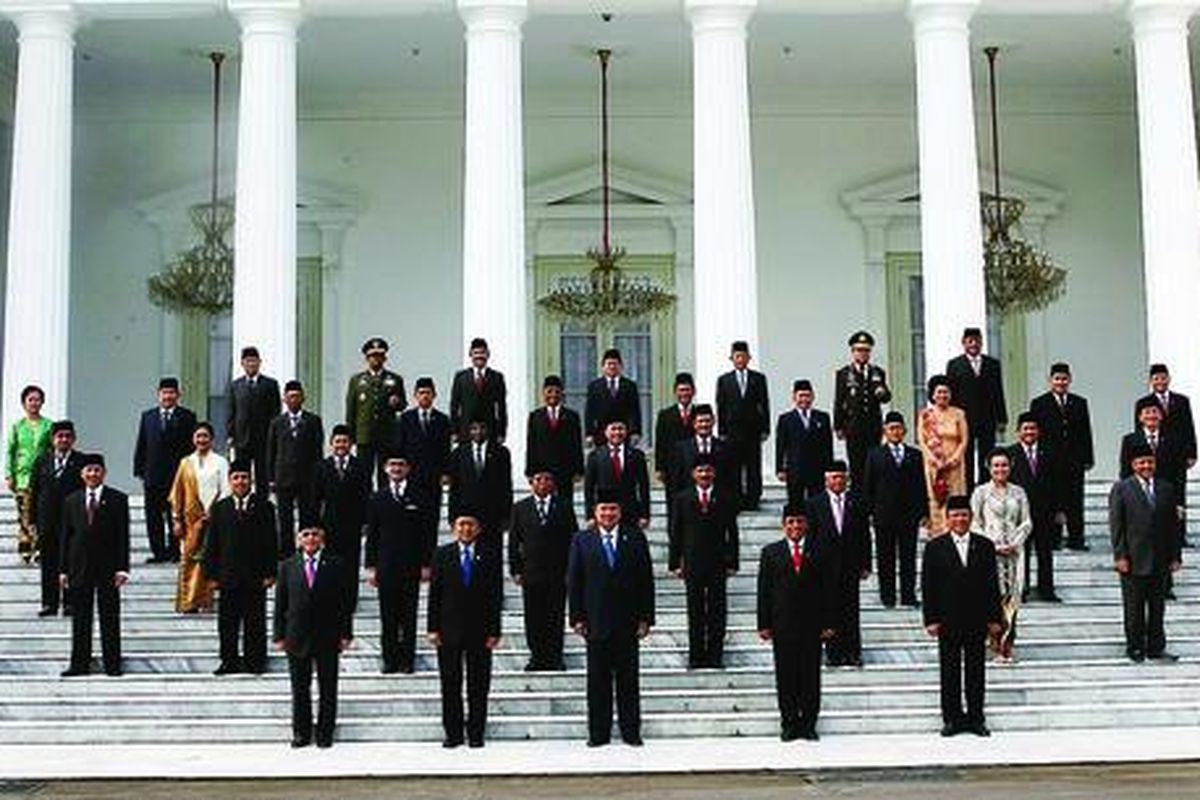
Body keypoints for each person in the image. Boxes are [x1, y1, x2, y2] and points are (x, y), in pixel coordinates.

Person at [567, 490, 655, 747]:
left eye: (613, 509)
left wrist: (645, 618)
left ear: (620, 512)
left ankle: (631, 732)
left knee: (629, 681)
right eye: (603, 509)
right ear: (595, 513)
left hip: (628, 622)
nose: (608, 514)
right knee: (597, 682)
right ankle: (598, 733)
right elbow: (574, 581)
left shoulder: (635, 538)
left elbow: (645, 580)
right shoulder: (582, 540)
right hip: (595, 622)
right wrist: (577, 617)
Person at [922, 495, 1002, 737]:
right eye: (955, 515)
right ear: (947, 519)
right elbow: (928, 586)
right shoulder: (935, 547)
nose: (960, 519)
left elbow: (992, 584)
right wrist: (931, 619)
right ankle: (952, 719)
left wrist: (994, 618)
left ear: (971, 517)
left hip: (977, 618)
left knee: (976, 671)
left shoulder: (985, 546)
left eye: (964, 515)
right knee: (950, 671)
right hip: (947, 619)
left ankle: (976, 718)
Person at [756, 504, 836, 742]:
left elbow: (829, 590)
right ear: (784, 525)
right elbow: (764, 591)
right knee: (786, 675)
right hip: (783, 624)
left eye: (800, 522)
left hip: (812, 624)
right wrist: (764, 624)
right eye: (790, 522)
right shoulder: (771, 552)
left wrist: (829, 622)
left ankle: (809, 723)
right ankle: (789, 723)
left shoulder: (820, 551)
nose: (795, 527)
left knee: (811, 676)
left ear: (806, 525)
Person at [274, 527, 354, 749]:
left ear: (322, 540)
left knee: (328, 687)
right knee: (300, 688)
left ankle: (325, 733)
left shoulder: (336, 565)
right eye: (306, 535)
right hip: (296, 635)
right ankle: (301, 732)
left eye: (315, 535)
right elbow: (281, 603)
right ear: (299, 540)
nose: (311, 539)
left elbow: (343, 604)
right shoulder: (287, 567)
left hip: (328, 635)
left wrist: (346, 633)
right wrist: (279, 634)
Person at [428, 514, 504, 748]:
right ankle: (453, 733)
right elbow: (435, 594)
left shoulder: (490, 554)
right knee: (450, 684)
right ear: (453, 528)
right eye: (461, 524)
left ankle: (476, 733)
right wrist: (432, 628)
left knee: (478, 684)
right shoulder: (442, 554)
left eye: (471, 524)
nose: (466, 528)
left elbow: (495, 595)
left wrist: (494, 630)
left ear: (478, 528)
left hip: (480, 631)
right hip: (448, 630)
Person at [1109, 442, 1182, 662]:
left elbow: (1173, 526)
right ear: (1133, 465)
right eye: (1141, 462)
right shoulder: (1122, 488)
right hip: (1133, 558)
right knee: (1134, 608)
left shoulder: (1166, 488)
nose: (1146, 466)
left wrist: (1175, 556)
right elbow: (1116, 525)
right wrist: (1120, 556)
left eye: (1150, 462)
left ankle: (1156, 647)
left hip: (1160, 559)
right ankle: (1135, 647)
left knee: (1158, 607)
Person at [202, 461, 277, 675]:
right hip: (228, 576)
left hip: (255, 576)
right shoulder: (220, 508)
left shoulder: (264, 506)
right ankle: (229, 661)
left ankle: (255, 662)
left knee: (255, 621)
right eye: (236, 478)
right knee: (227, 623)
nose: (240, 481)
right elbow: (212, 544)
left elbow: (272, 542)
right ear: (230, 481)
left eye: (244, 477)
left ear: (251, 480)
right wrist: (211, 575)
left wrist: (271, 572)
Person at [59, 454, 130, 677]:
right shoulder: (72, 500)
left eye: (97, 470)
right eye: (88, 470)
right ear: (82, 474)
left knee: (109, 616)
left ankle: (113, 664)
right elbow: (65, 537)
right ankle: (79, 664)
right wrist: (62, 569)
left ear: (104, 473)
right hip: (79, 566)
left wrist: (122, 568)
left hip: (108, 567)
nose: (92, 474)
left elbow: (122, 536)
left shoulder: (117, 499)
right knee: (80, 617)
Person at [365, 454, 436, 674]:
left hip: (411, 565)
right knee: (388, 616)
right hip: (386, 565)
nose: (396, 468)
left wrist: (426, 563)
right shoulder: (377, 498)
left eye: (401, 465)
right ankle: (389, 659)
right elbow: (372, 535)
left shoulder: (420, 497)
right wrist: (371, 566)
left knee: (408, 615)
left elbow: (428, 534)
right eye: (392, 465)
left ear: (408, 468)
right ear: (385, 469)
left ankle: (407, 660)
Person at [669, 454, 739, 669]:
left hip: (718, 562)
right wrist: (674, 562)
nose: (704, 475)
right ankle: (696, 656)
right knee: (695, 610)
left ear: (714, 473)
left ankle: (715, 656)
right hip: (692, 562)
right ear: (693, 474)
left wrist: (733, 561)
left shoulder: (725, 497)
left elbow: (732, 532)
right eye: (700, 471)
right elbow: (676, 531)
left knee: (718, 610)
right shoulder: (682, 498)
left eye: (708, 471)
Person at [509, 469, 578, 672]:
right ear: (531, 482)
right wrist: (516, 569)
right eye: (538, 479)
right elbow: (514, 541)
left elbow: (574, 540)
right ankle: (537, 657)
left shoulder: (564, 506)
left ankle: (555, 657)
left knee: (555, 616)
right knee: (534, 617)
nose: (543, 483)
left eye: (547, 479)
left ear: (553, 483)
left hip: (558, 572)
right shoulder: (520, 508)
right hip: (531, 572)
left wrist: (572, 570)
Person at [1121, 397, 1188, 600]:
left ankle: (1166, 586)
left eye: (1154, 412)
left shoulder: (1173, 439)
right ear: (1140, 417)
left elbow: (1178, 473)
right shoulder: (1131, 440)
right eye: (1147, 413)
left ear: (1161, 416)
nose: (1151, 416)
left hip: (1165, 496)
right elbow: (1125, 470)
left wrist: (1179, 501)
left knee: (1165, 537)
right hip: (1139, 496)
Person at [970, 450, 1032, 664]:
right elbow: (975, 522)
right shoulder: (980, 493)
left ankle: (1008, 643)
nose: (1000, 469)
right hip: (990, 554)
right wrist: (992, 544)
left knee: (1012, 597)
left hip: (1014, 553)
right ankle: (993, 639)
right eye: (996, 465)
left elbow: (1026, 522)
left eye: (1004, 465)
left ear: (1010, 466)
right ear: (989, 467)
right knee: (992, 596)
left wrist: (1014, 543)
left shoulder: (1019, 492)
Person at [807, 461, 870, 667]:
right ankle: (833, 652)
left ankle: (853, 652)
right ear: (826, 480)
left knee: (851, 609)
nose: (838, 481)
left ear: (847, 479)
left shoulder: (857, 501)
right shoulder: (814, 503)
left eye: (841, 477)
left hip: (850, 564)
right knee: (829, 609)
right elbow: (811, 537)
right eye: (834, 477)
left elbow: (864, 535)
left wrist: (865, 563)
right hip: (824, 566)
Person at [862, 411, 927, 608]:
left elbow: (921, 485)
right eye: (891, 428)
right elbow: (868, 486)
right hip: (884, 514)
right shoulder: (875, 455)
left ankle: (908, 595)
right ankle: (887, 596)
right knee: (885, 558)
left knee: (908, 557)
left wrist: (923, 512)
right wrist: (869, 512)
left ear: (905, 431)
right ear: (885, 431)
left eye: (899, 428)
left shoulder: (915, 455)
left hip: (909, 515)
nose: (895, 432)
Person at [1029, 362, 1094, 551]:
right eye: (1057, 378)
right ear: (1050, 381)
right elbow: (1035, 433)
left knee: (1075, 499)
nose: (1061, 382)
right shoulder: (1039, 403)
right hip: (1050, 460)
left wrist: (1088, 458)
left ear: (1070, 380)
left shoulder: (1079, 402)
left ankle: (1076, 539)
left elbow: (1086, 432)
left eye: (1064, 379)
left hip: (1074, 460)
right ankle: (1053, 539)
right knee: (1052, 500)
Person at [133, 377, 197, 564]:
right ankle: (158, 552)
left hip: (177, 476)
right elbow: (142, 443)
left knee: (175, 515)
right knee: (153, 517)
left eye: (171, 393)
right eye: (164, 393)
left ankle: (175, 551)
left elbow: (191, 448)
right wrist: (139, 468)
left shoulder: (187, 417)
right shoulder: (148, 416)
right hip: (152, 475)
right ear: (158, 395)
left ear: (178, 395)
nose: (168, 396)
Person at [168, 423, 228, 614]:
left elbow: (225, 489)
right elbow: (177, 493)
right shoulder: (186, 462)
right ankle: (189, 602)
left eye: (205, 436)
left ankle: (206, 600)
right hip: (190, 521)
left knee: (209, 559)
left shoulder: (220, 462)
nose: (201, 440)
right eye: (198, 436)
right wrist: (176, 519)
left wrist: (215, 512)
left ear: (212, 439)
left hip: (214, 518)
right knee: (189, 559)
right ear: (193, 439)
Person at [311, 425, 372, 612]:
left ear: (351, 444)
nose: (341, 445)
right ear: (331, 444)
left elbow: (366, 495)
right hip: (329, 524)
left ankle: (350, 601)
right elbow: (315, 498)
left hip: (353, 524)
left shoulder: (360, 466)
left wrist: (365, 522)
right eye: (337, 441)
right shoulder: (322, 466)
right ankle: (332, 599)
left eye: (345, 441)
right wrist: (317, 527)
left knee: (351, 564)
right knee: (329, 564)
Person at [28, 420, 84, 617]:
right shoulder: (42, 461)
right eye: (60, 436)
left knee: (72, 563)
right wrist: (32, 520)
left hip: (73, 522)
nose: (64, 440)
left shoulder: (82, 462)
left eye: (68, 436)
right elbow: (34, 492)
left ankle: (70, 602)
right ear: (53, 439)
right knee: (49, 563)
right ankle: (49, 603)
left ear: (74, 439)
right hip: (47, 521)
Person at [264, 380, 324, 558]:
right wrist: (271, 478)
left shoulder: (313, 421)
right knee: (285, 518)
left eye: (297, 396)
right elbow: (271, 451)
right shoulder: (277, 422)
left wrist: (317, 477)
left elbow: (317, 451)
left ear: (303, 398)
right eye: (290, 397)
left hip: (307, 478)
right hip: (283, 477)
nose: (294, 400)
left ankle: (305, 548)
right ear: (285, 399)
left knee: (307, 516)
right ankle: (286, 551)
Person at [945, 327, 1007, 488]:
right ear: (963, 343)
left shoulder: (992, 364)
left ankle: (986, 487)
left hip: (988, 418)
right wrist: (952, 419)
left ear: (981, 342)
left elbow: (998, 391)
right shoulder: (954, 365)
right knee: (966, 456)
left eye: (977, 341)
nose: (973, 344)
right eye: (970, 341)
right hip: (965, 419)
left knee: (987, 455)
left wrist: (1002, 418)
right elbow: (951, 394)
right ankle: (968, 491)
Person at [1007, 413, 1059, 602]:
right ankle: (1022, 589)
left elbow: (1057, 483)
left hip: (1045, 511)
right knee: (1021, 553)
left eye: (1033, 428)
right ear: (1018, 432)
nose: (1029, 432)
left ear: (1039, 431)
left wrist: (1059, 510)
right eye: (1025, 429)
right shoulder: (1010, 454)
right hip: (1019, 513)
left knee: (1045, 552)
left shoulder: (1049, 452)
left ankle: (1047, 590)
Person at [833, 331, 892, 497]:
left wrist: (881, 391)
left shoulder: (877, 372)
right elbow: (839, 400)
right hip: (853, 426)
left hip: (873, 425)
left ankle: (873, 496)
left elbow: (886, 397)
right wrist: (838, 425)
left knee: (874, 462)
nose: (862, 353)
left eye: (866, 350)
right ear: (852, 351)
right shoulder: (844, 373)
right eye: (859, 350)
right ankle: (859, 498)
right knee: (856, 464)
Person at [345, 337, 407, 489]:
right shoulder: (357, 380)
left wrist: (397, 403)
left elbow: (403, 405)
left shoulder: (394, 379)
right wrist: (351, 435)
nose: (376, 359)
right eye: (373, 356)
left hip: (386, 435)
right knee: (364, 474)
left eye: (379, 355)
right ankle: (365, 508)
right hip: (364, 435)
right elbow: (351, 409)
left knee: (385, 475)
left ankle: (383, 506)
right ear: (367, 358)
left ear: (385, 357)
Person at [716, 340, 771, 510]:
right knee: (734, 466)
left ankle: (754, 498)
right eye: (737, 356)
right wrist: (722, 431)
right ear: (731, 358)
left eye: (743, 356)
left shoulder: (758, 378)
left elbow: (764, 404)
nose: (740, 359)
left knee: (753, 465)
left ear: (749, 358)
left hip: (753, 430)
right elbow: (721, 406)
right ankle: (737, 499)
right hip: (732, 431)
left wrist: (765, 428)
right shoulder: (724, 380)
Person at [445, 418, 513, 552]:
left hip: (493, 514)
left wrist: (507, 516)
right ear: (469, 431)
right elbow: (455, 488)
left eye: (482, 428)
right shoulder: (458, 453)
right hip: (467, 513)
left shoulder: (501, 452)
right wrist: (452, 516)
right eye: (474, 428)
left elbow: (506, 485)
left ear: (488, 430)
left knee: (493, 554)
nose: (478, 432)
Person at [394, 377, 452, 521]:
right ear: (415, 396)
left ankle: (430, 544)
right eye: (421, 392)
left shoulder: (442, 420)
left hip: (434, 475)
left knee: (432, 514)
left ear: (434, 395)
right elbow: (400, 447)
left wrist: (445, 472)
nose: (425, 396)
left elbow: (446, 449)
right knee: (412, 515)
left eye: (428, 392)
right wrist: (401, 471)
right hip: (412, 475)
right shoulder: (406, 418)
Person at [6, 384, 52, 564]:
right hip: (22, 476)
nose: (34, 403)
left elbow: (51, 449)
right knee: (24, 513)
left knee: (41, 513)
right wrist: (9, 474)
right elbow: (10, 451)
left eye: (37, 399)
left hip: (42, 475)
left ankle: (40, 548)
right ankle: (25, 549)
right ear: (24, 403)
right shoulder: (18, 426)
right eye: (30, 400)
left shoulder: (48, 425)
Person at [918, 374, 969, 536]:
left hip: (955, 465)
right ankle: (938, 534)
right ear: (932, 395)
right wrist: (933, 459)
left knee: (955, 498)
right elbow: (922, 441)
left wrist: (955, 458)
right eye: (939, 392)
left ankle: (956, 532)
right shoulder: (926, 414)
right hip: (934, 466)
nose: (942, 395)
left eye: (945, 392)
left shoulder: (959, 413)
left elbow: (964, 439)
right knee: (936, 499)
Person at [525, 375, 584, 508]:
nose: (553, 395)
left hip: (565, 469)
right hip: (543, 469)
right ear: (543, 393)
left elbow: (577, 443)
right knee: (544, 504)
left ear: (562, 394)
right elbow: (531, 444)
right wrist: (530, 471)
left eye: (557, 392)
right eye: (549, 391)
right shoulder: (535, 416)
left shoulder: (572, 416)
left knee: (565, 504)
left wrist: (579, 470)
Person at [226, 346, 281, 490]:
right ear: (242, 363)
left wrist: (273, 435)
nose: (251, 364)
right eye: (248, 361)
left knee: (263, 474)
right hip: (242, 438)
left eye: (254, 361)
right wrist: (230, 434)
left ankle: (261, 506)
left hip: (264, 438)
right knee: (242, 474)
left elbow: (276, 412)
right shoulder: (235, 386)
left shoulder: (270, 384)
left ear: (259, 362)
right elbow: (231, 412)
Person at [775, 379, 833, 508]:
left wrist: (829, 469)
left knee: (818, 504)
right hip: (795, 469)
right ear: (794, 397)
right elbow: (780, 445)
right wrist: (780, 468)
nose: (804, 399)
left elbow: (828, 446)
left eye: (807, 395)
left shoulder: (823, 417)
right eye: (801, 396)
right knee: (795, 504)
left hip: (817, 469)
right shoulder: (785, 419)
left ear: (813, 397)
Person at [584, 420, 650, 528]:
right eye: (613, 429)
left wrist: (645, 515)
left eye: (620, 428)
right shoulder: (595, 456)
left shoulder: (637, 455)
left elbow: (643, 486)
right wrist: (590, 516)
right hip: (605, 513)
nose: (617, 432)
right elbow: (589, 488)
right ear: (606, 432)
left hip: (631, 512)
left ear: (626, 431)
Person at [669, 403, 735, 507]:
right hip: (688, 508)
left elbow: (732, 481)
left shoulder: (725, 448)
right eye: (700, 421)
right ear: (694, 424)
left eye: (707, 421)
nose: (704, 425)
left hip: (718, 507)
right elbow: (675, 483)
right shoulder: (681, 449)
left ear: (713, 422)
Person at [449, 337, 508, 444]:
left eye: (482, 352)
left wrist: (502, 433)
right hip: (465, 432)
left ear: (488, 354)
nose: (479, 356)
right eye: (476, 352)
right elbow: (454, 406)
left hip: (490, 432)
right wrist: (454, 431)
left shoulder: (497, 377)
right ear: (470, 354)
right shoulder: (460, 377)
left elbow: (501, 408)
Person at [585, 348, 642, 448]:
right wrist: (589, 433)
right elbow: (589, 412)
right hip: (601, 434)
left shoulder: (630, 386)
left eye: (615, 364)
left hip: (624, 433)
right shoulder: (594, 386)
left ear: (621, 366)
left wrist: (635, 432)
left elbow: (635, 410)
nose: (612, 367)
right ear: (603, 367)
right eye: (609, 364)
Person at [653, 372, 697, 493]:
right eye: (681, 390)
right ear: (675, 392)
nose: (684, 394)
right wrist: (659, 468)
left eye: (687, 390)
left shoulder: (699, 413)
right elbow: (660, 442)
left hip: (694, 465)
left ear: (693, 392)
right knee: (673, 502)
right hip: (672, 467)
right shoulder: (665, 415)